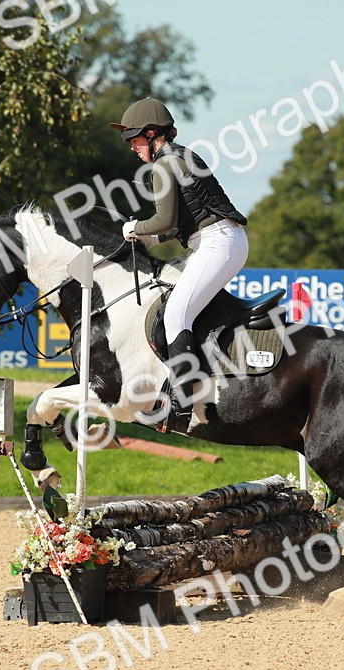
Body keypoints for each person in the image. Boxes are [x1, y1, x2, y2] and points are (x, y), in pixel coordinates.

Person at [109, 97, 249, 432]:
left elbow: (163, 219)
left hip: (216, 243)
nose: (131, 147)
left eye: (133, 138)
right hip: (221, 240)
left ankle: (180, 405)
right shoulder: (181, 155)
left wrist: (134, 228)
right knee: (178, 308)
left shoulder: (163, 164)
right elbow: (181, 222)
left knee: (175, 316)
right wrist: (153, 240)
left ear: (151, 133)